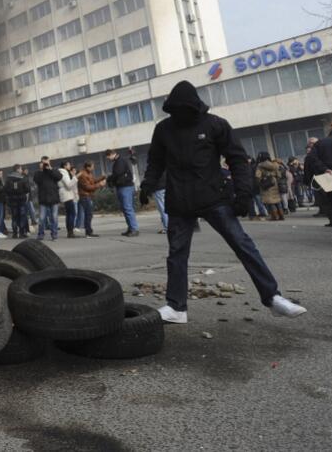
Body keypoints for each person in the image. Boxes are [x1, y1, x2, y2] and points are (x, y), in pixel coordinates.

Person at [139, 80, 305, 323]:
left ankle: (272, 297)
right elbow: (155, 161)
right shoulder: (164, 129)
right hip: (180, 201)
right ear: (171, 108)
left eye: (185, 110)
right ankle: (176, 307)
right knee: (177, 254)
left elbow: (237, 159)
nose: (181, 115)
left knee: (243, 245)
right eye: (177, 110)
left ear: (194, 107)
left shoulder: (215, 124)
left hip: (213, 197)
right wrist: (147, 185)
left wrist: (243, 194)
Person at [105, 149, 139, 236]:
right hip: (121, 187)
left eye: (108, 157)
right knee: (125, 209)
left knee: (128, 208)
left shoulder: (120, 161)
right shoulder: (118, 161)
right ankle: (130, 228)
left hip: (125, 187)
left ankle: (134, 229)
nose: (109, 159)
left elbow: (117, 173)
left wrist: (109, 179)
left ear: (112, 154)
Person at [33, 157, 62, 241]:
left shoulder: (53, 170)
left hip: (54, 198)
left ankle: (54, 234)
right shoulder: (38, 173)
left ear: (49, 162)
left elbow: (59, 177)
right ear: (40, 163)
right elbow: (36, 180)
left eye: (46, 162)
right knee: (42, 218)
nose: (45, 164)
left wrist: (50, 169)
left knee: (54, 217)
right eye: (43, 162)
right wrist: (42, 170)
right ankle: (41, 234)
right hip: (43, 199)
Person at [76, 162, 105, 237]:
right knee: (88, 214)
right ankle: (88, 232)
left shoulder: (88, 173)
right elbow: (87, 187)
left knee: (89, 214)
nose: (93, 168)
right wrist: (99, 185)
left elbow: (93, 181)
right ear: (87, 167)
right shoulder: (82, 175)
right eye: (92, 167)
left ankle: (89, 231)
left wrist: (102, 177)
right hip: (85, 196)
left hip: (88, 196)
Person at [254, 153, 284, 221]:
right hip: (274, 183)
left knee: (270, 201)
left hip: (266, 184)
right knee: (277, 200)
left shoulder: (260, 166)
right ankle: (281, 215)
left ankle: (274, 216)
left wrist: (260, 182)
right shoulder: (274, 165)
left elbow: (257, 176)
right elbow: (279, 175)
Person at [3, 165, 30, 239]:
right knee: (22, 216)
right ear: (18, 169)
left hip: (12, 200)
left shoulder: (8, 179)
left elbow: (5, 189)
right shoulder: (23, 178)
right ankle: (22, 233)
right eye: (21, 169)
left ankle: (15, 233)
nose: (21, 170)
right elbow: (28, 189)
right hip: (21, 199)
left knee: (14, 217)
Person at [57, 162, 78, 237]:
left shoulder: (62, 172)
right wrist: (75, 178)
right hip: (67, 195)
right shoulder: (64, 173)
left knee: (69, 214)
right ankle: (70, 232)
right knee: (71, 213)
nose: (70, 166)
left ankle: (70, 231)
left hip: (65, 194)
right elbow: (68, 185)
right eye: (69, 165)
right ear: (65, 166)